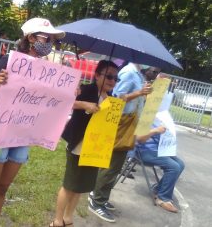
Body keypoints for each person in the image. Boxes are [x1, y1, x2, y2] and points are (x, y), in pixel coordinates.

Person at [0, 18, 65, 227]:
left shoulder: (48, 72)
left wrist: (68, 95)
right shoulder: (9, 61)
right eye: (47, 38)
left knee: (2, 189)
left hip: (22, 136)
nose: (50, 44)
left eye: (53, 41)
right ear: (30, 38)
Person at [49, 60, 119, 227]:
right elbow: (66, 102)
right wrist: (83, 104)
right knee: (69, 184)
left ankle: (68, 218)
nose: (112, 81)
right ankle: (57, 221)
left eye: (116, 78)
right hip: (78, 144)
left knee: (80, 186)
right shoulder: (86, 90)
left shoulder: (111, 99)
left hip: (95, 149)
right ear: (97, 75)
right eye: (109, 76)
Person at [88, 62, 153, 223]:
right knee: (111, 165)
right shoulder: (130, 72)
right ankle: (97, 201)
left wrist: (141, 93)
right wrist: (139, 92)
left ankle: (100, 196)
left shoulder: (136, 73)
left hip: (128, 123)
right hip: (121, 122)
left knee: (115, 165)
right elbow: (116, 96)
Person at [135, 121, 184, 213]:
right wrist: (156, 130)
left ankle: (158, 189)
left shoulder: (160, 117)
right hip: (144, 151)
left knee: (180, 164)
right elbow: (139, 139)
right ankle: (162, 198)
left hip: (159, 149)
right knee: (174, 167)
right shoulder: (145, 116)